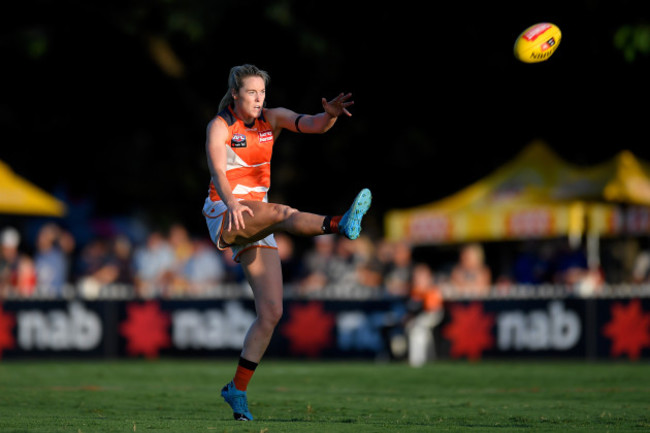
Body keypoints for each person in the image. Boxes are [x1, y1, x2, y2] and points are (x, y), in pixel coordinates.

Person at [202, 64, 371, 421]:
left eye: (262, 92)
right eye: (251, 92)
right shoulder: (219, 126)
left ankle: (237, 389)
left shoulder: (272, 119)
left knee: (272, 313)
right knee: (280, 212)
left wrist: (330, 117)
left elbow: (311, 123)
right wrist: (232, 202)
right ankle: (340, 223)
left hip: (255, 216)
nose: (259, 99)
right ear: (235, 94)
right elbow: (218, 170)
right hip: (225, 210)